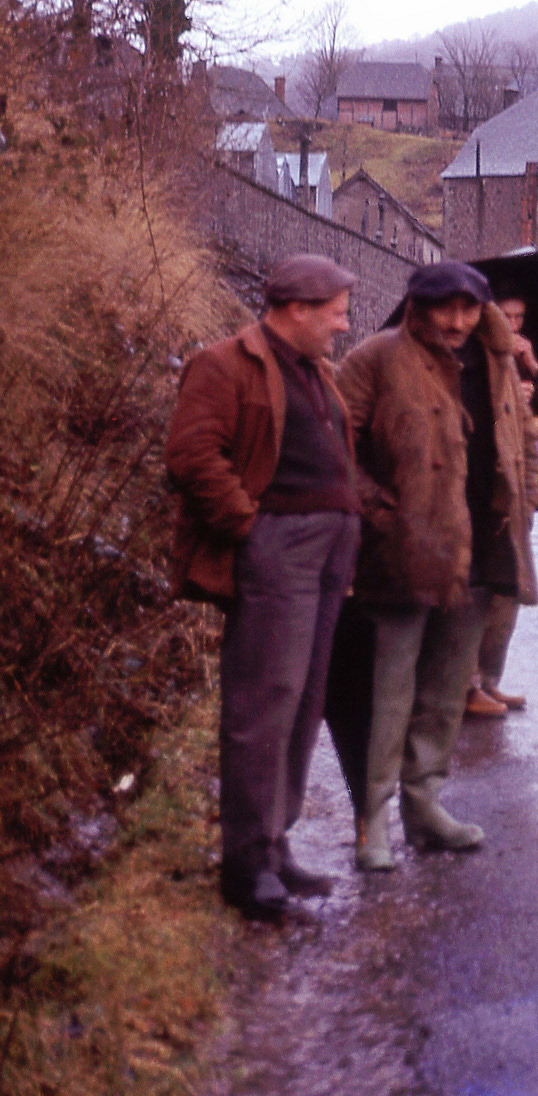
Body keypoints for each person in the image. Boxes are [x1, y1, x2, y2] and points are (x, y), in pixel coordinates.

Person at [164, 254, 361, 921]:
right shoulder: (225, 364)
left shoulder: (314, 372)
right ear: (297, 309)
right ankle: (246, 866)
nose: (344, 324)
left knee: (304, 701)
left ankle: (275, 846)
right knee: (263, 703)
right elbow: (193, 455)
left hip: (329, 553)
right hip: (277, 550)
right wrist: (250, 528)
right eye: (335, 312)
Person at [338, 261, 538, 871]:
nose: (456, 322)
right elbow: (332, 446)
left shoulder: (499, 361)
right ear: (416, 308)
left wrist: (523, 496)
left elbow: (524, 438)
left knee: (447, 691)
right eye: (442, 309)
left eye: (468, 309)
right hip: (407, 551)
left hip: (483, 548)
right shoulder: (374, 360)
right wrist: (379, 510)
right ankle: (372, 818)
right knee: (389, 690)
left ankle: (423, 804)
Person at [466, 285, 538, 718]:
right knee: (476, 589)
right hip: (483, 486)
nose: (513, 325)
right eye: (505, 316)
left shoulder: (517, 360)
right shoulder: (475, 359)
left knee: (509, 587)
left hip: (520, 487)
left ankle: (489, 681)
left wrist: (532, 368)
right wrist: (508, 403)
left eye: (520, 317)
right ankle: (466, 685)